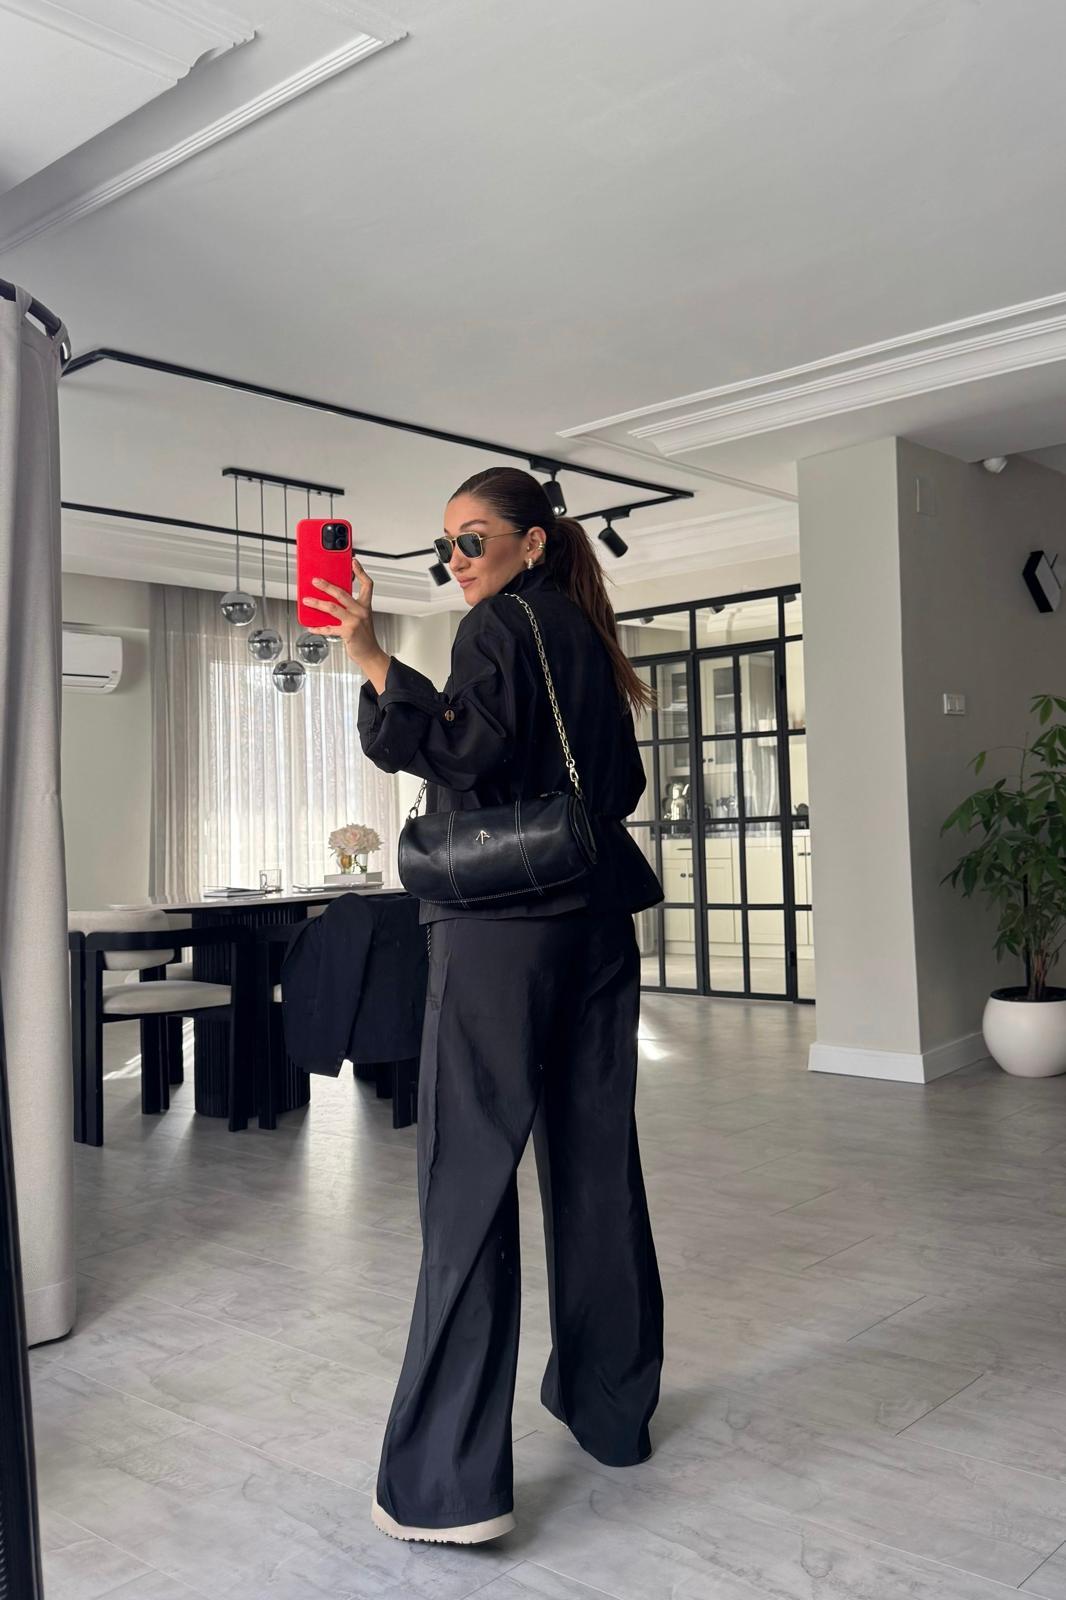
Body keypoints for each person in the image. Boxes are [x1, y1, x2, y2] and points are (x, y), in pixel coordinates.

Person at [302, 466, 665, 1545]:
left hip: (503, 926)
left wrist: (372, 658)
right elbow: (622, 788)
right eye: (446, 545)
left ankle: (449, 1486)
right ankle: (611, 1410)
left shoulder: (500, 625)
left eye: (473, 539)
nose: (455, 560)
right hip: (597, 919)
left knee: (465, 1179)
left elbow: (459, 749)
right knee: (596, 1163)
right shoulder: (585, 636)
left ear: (531, 543)